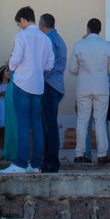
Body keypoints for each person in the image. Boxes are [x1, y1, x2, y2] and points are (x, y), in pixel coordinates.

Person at [1, 6, 54, 174]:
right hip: (38, 86)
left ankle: (20, 163)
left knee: (22, 124)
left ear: (23, 20)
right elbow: (49, 65)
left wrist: (11, 65)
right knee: (36, 124)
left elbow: (15, 59)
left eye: (19, 23)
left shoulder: (21, 36)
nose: (19, 26)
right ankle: (36, 163)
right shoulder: (45, 39)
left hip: (22, 84)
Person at [69, 18, 110, 164]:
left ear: (87, 29)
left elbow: (72, 68)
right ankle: (102, 154)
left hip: (84, 86)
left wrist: (84, 72)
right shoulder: (107, 46)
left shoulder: (79, 45)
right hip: (101, 86)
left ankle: (80, 153)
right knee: (100, 121)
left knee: (82, 120)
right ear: (100, 30)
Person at [37, 13, 66, 173]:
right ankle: (49, 159)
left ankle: (51, 161)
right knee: (49, 124)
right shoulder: (58, 38)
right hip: (56, 85)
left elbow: (49, 64)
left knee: (49, 125)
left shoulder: (49, 40)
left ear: (42, 26)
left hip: (49, 85)